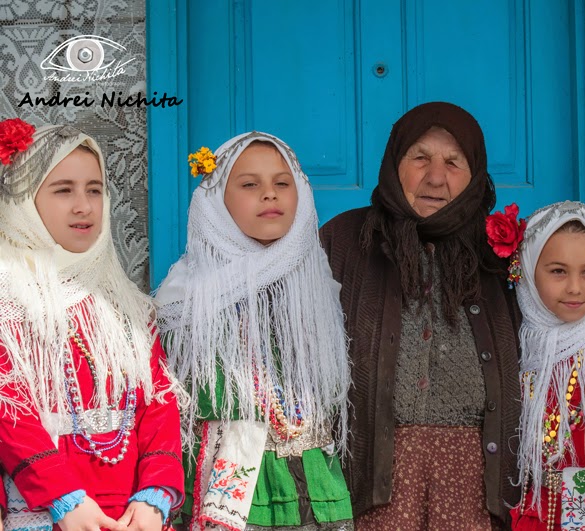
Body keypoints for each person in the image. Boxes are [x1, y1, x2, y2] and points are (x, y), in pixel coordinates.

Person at [320, 102, 522, 529]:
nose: (435, 177)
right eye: (420, 158)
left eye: (453, 162)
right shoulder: (346, 240)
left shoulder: (500, 253)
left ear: (475, 173)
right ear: (395, 163)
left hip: (474, 484)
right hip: (371, 480)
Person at [156, 132, 352, 531]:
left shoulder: (316, 286)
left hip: (316, 488)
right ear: (216, 201)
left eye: (282, 183)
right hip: (231, 489)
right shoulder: (187, 299)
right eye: (249, 184)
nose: (270, 194)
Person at [0, 119, 183, 531]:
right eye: (63, 190)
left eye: (95, 190)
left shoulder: (129, 307)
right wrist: (64, 498)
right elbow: (9, 411)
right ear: (24, 200)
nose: (83, 206)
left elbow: (159, 405)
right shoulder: (9, 303)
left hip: (133, 515)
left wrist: (155, 496)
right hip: (49, 512)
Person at [506, 201, 585, 530]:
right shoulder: (514, 341)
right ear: (528, 271)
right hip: (535, 513)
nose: (575, 287)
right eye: (558, 271)